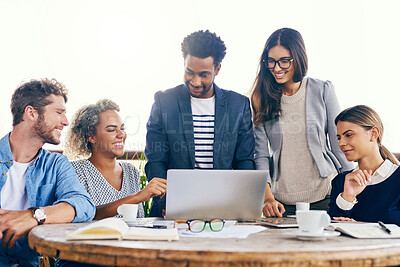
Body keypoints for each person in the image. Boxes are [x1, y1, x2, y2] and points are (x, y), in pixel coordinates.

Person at [145, 30, 255, 217]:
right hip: (173, 209)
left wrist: (244, 203)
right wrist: (165, 201)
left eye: (204, 75)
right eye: (190, 72)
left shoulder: (238, 105)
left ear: (217, 69)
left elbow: (244, 160)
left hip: (224, 208)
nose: (195, 82)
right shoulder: (164, 101)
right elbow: (156, 160)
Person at [250, 28, 353, 217]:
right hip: (281, 203)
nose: (277, 68)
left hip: (325, 195)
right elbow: (261, 155)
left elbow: (340, 142)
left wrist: (350, 185)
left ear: (298, 58)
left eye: (284, 61)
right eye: (271, 61)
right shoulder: (261, 98)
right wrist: (267, 198)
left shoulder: (323, 90)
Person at [0, 79, 95, 266]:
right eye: (59, 113)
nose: (66, 122)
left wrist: (35, 215)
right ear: (31, 113)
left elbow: (84, 205)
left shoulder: (56, 164)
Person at [64, 99, 167, 220]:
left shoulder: (130, 171)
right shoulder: (76, 171)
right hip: (94, 239)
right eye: (112, 130)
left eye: (122, 128)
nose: (121, 134)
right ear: (91, 136)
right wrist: (139, 196)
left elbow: (138, 220)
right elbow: (86, 213)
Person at [329, 105, 400, 224]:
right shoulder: (340, 181)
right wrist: (348, 197)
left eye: (349, 135)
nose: (341, 143)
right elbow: (334, 227)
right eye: (339, 138)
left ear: (373, 133)